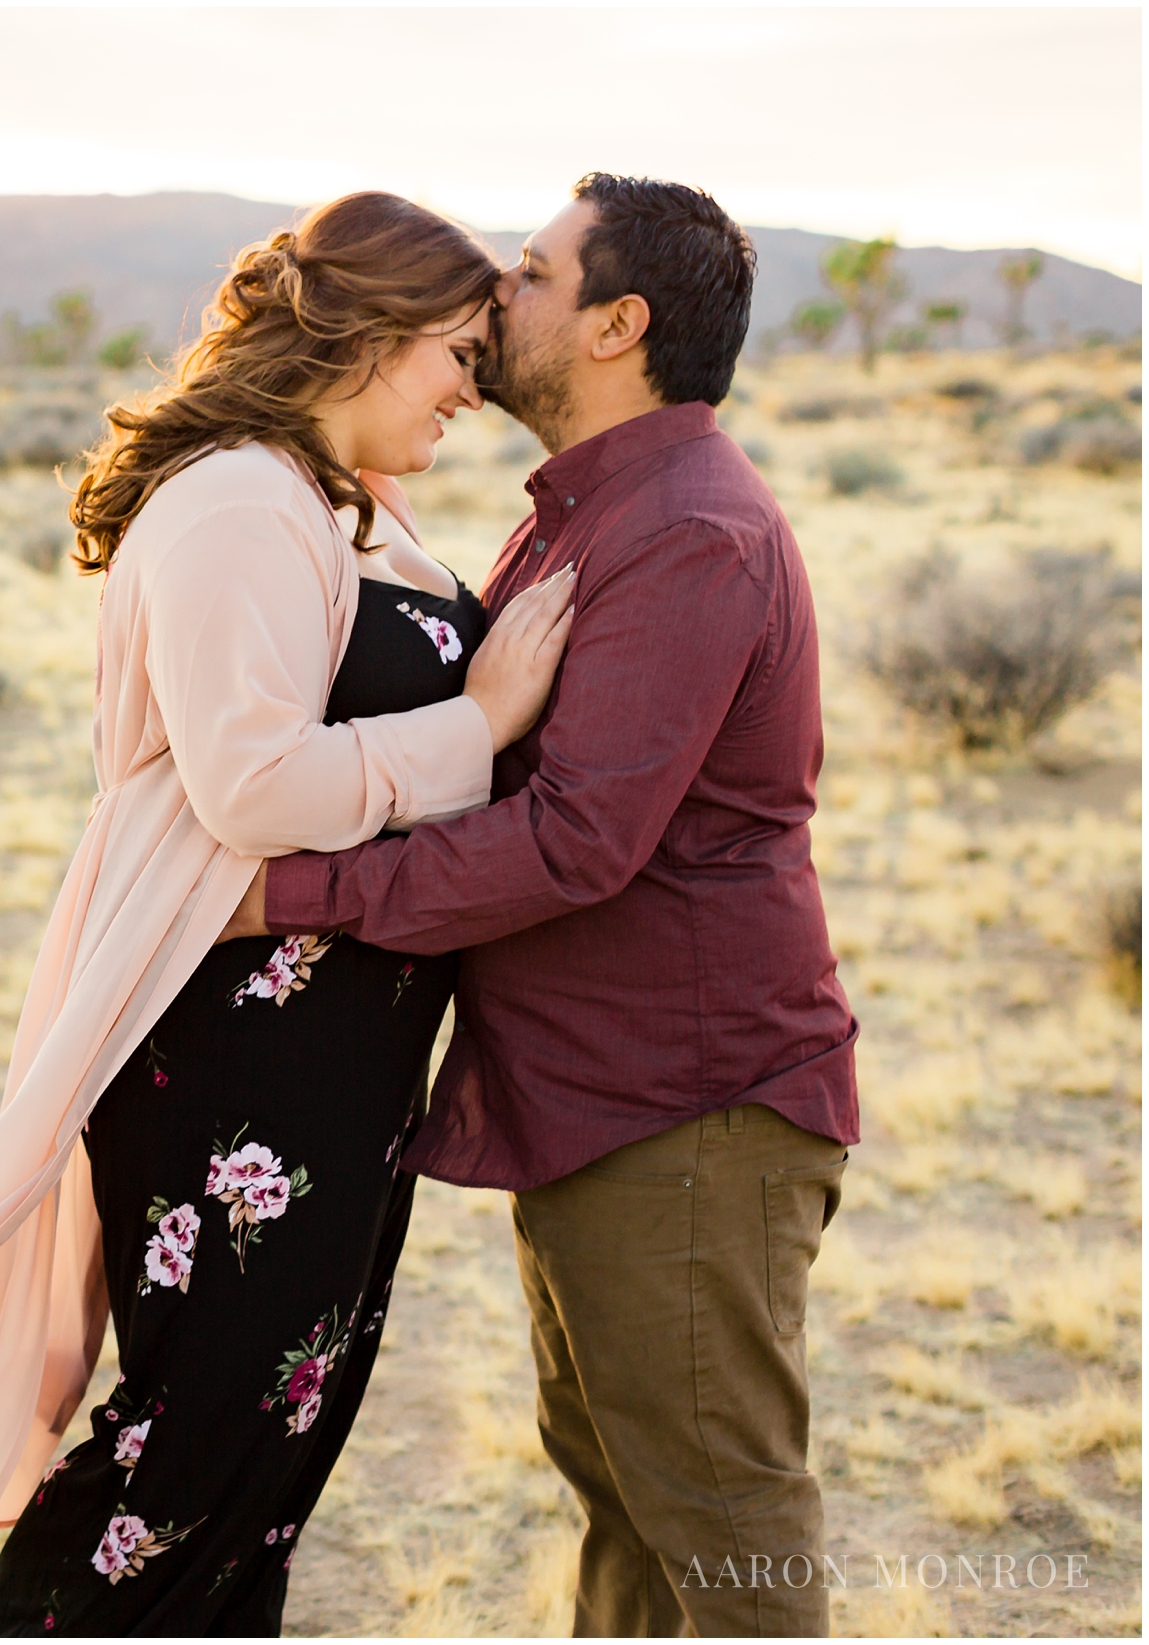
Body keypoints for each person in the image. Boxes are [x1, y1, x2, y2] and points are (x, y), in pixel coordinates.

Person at [0, 191, 573, 1635]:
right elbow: (257, 783)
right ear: (372, 328)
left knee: (267, 1455)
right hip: (237, 1064)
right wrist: (479, 723)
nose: (475, 388)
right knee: (184, 1461)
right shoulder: (235, 498)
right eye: (458, 353)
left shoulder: (330, 501)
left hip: (331, 1067)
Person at [228, 173, 860, 1637]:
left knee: (718, 1515)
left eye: (529, 271)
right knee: (627, 1501)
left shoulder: (688, 531)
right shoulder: (590, 514)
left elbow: (576, 841)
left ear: (615, 326)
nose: (493, 294)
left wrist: (289, 894)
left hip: (688, 1109)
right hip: (597, 1095)